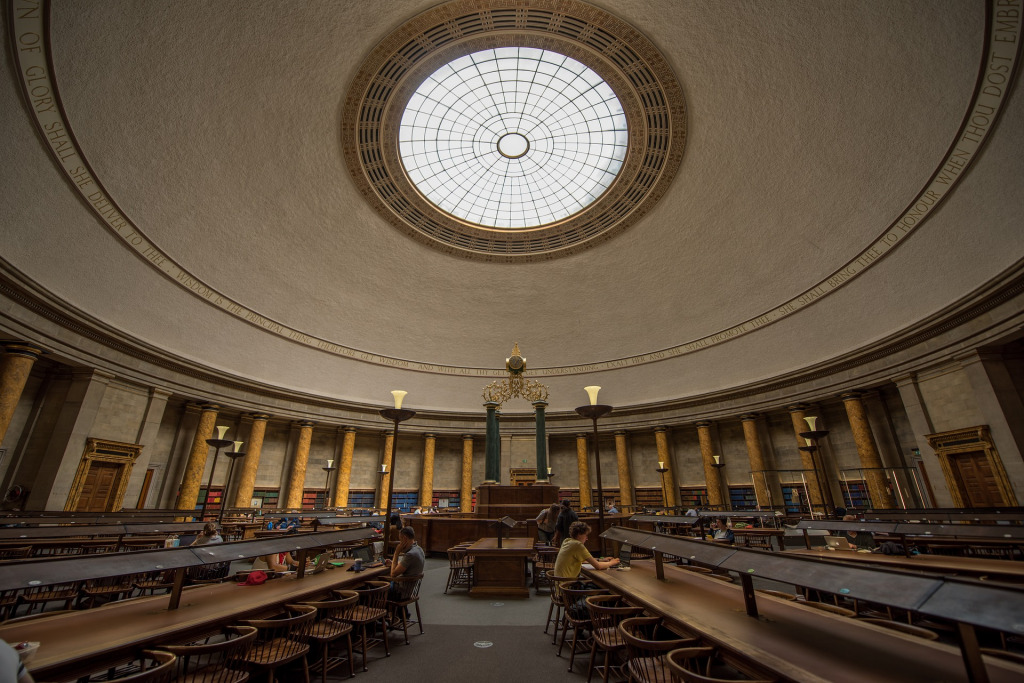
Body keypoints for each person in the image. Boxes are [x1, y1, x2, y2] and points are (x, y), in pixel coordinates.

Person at [553, 521, 620, 579]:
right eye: (586, 535)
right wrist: (612, 563)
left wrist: (600, 560)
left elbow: (583, 560)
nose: (587, 538)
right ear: (579, 535)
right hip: (567, 586)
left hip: (560, 584)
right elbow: (598, 566)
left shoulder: (567, 541)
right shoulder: (578, 545)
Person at [386, 526, 425, 606]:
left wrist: (396, 553)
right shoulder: (419, 549)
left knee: (372, 589)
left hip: (401, 592)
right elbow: (407, 565)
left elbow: (393, 574)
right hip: (409, 590)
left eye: (400, 539)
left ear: (405, 538)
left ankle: (381, 616)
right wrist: (394, 562)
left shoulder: (410, 554)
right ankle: (402, 614)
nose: (400, 542)